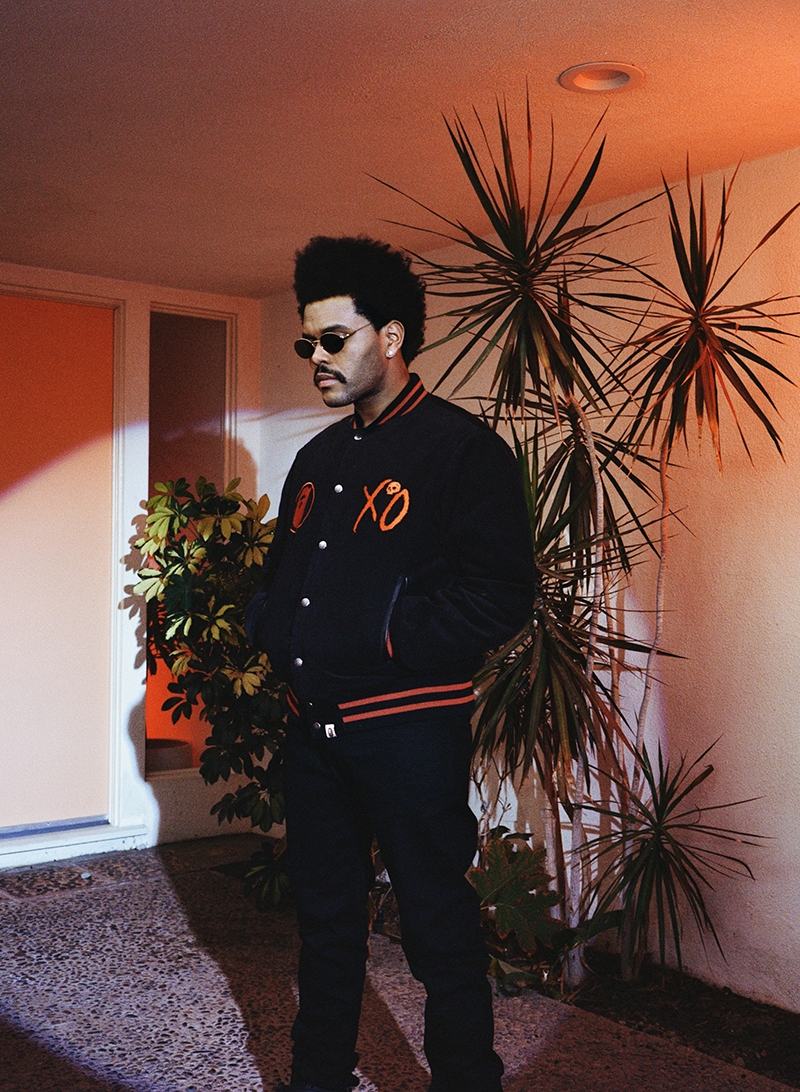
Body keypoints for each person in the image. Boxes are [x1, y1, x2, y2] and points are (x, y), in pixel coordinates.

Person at [246, 235, 535, 1092]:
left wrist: (384, 636)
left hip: (409, 738)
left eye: (334, 339)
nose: (317, 358)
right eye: (308, 343)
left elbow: (499, 597)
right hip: (314, 737)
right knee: (325, 927)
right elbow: (281, 582)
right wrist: (271, 626)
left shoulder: (463, 451)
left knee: (438, 929)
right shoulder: (317, 461)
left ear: (393, 336)